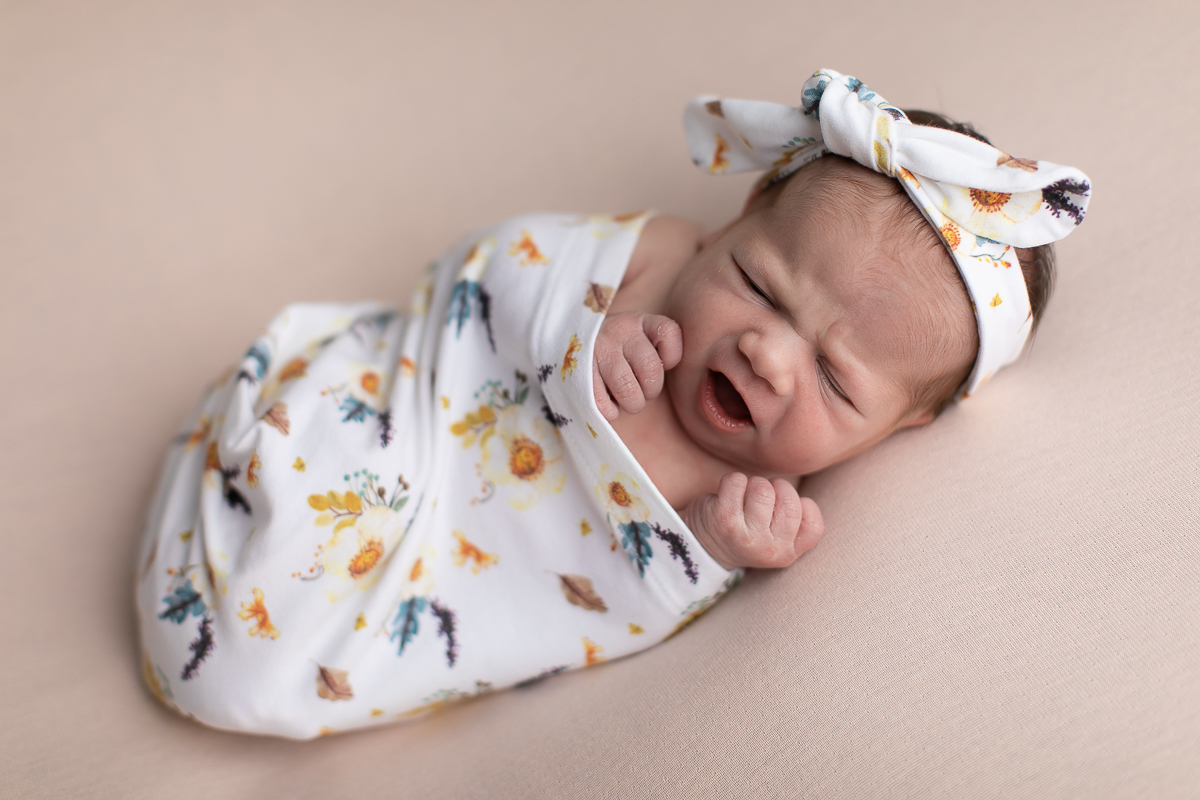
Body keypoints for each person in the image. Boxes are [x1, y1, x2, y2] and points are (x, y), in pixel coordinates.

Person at [137, 69, 1091, 738]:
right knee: (303, 481)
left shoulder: (756, 493)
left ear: (901, 426)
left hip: (445, 563)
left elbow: (606, 596)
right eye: (758, 286)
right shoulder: (656, 256)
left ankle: (240, 626)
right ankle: (250, 483)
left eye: (837, 380)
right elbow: (491, 263)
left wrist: (714, 547)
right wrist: (579, 329)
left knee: (245, 670)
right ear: (733, 224)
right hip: (408, 417)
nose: (766, 355)